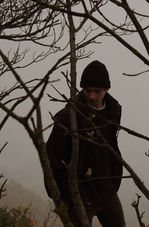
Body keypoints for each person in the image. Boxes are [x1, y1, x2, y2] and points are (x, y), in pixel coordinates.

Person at [46, 60, 125, 227]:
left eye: (97, 91)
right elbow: (51, 156)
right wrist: (63, 194)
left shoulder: (113, 110)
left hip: (106, 189)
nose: (91, 96)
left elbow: (110, 146)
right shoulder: (68, 116)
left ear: (106, 89)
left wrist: (113, 179)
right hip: (78, 194)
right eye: (88, 91)